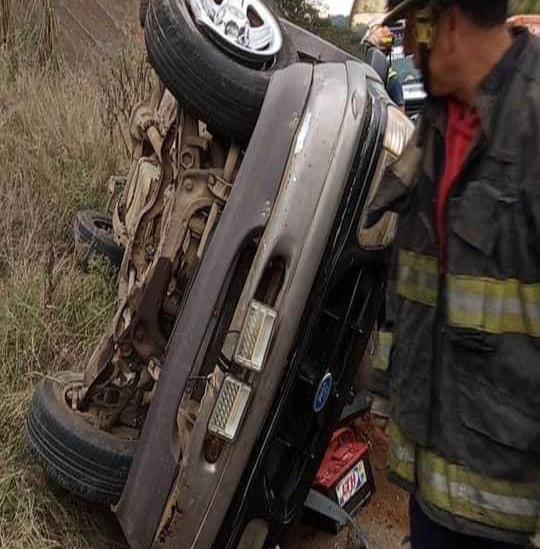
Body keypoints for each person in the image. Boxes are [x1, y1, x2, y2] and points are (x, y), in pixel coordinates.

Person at [365, 0, 540, 547]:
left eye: (416, 26)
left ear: (450, 25)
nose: (410, 48)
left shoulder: (532, 125)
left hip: (506, 511)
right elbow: (413, 281)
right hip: (432, 487)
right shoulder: (437, 126)